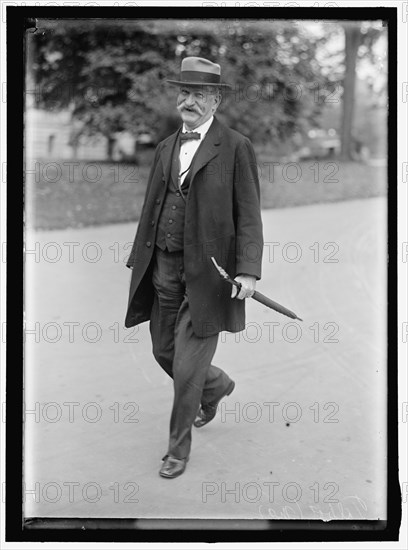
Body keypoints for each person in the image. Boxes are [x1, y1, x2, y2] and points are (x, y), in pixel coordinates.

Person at [125, 56, 263, 478]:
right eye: (183, 93)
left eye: (199, 95)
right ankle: (217, 385)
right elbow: (153, 206)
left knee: (187, 369)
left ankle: (177, 451)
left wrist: (248, 270)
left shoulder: (236, 147)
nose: (188, 101)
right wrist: (140, 257)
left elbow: (249, 214)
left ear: (216, 100)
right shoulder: (167, 146)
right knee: (164, 351)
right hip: (163, 265)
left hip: (209, 277)